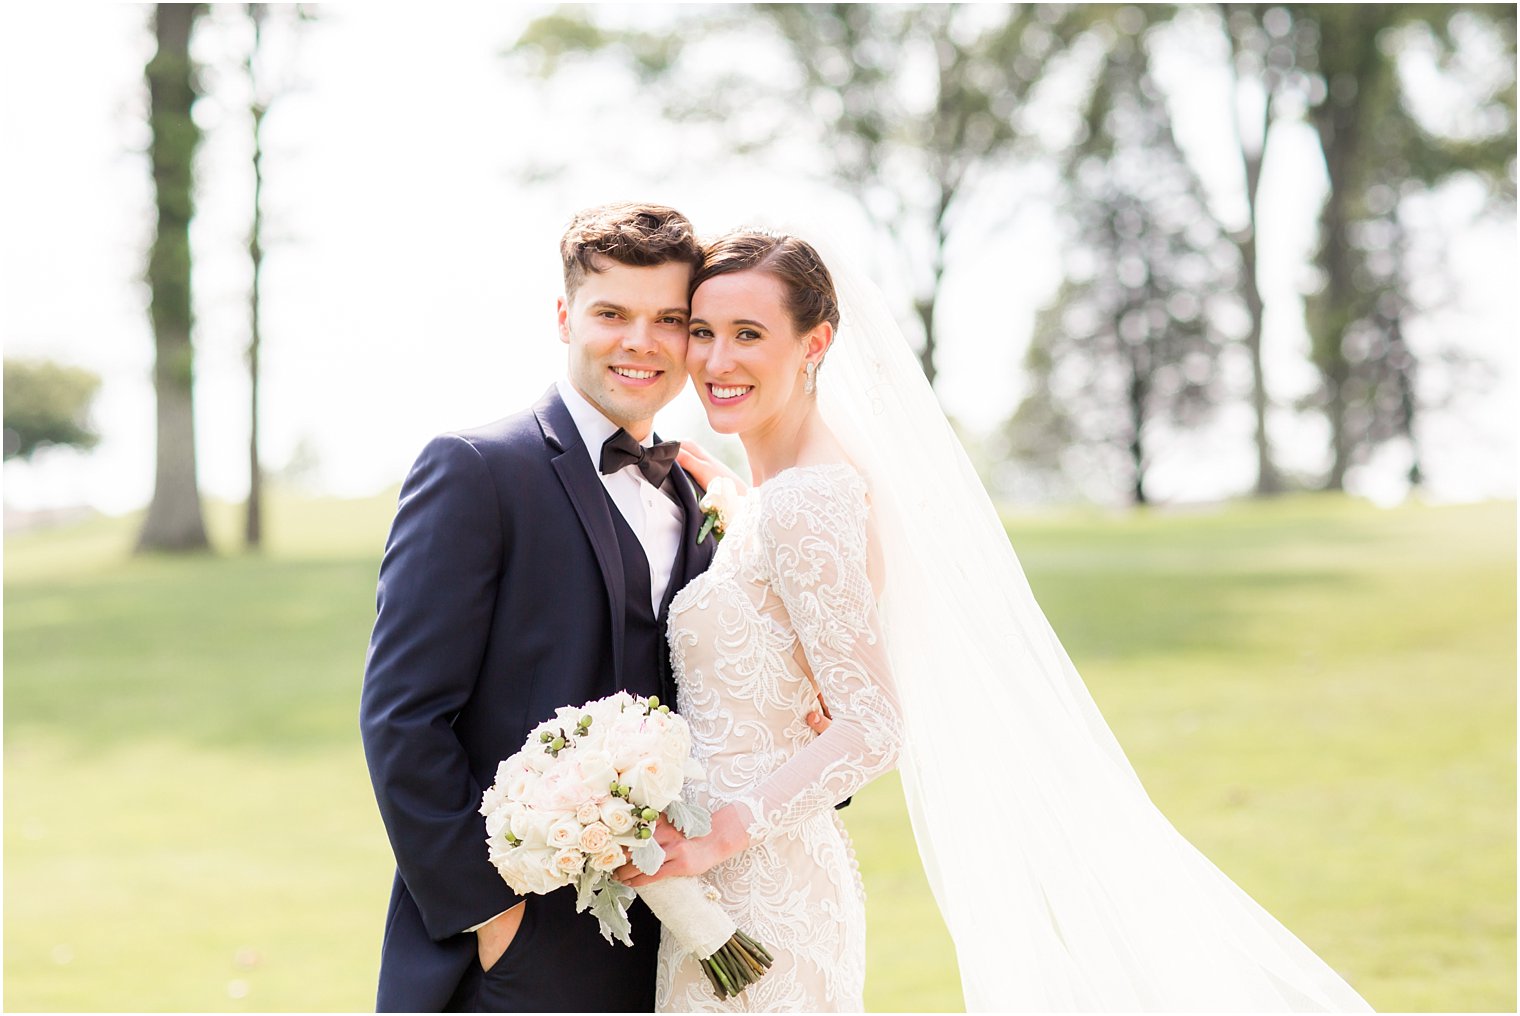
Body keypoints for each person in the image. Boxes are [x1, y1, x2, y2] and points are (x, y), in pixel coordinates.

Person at [620, 230, 1373, 1012]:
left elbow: (873, 725)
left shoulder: (810, 500)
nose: (714, 360)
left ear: (816, 343)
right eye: (702, 332)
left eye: (749, 334)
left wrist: (723, 833)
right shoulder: (784, 496)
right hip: (725, 885)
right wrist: (736, 504)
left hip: (763, 887)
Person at [359, 202, 718, 1012]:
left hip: (672, 947)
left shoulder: (700, 495)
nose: (642, 342)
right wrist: (493, 917)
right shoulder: (477, 470)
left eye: (670, 318)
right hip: (513, 954)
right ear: (565, 317)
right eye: (612, 314)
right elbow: (403, 718)